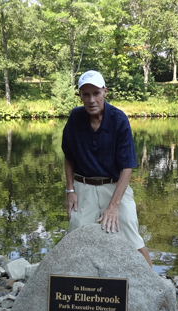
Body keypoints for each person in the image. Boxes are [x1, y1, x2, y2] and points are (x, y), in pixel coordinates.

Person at [62, 70, 152, 267]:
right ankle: (79, 289)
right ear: (80, 96)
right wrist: (70, 191)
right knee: (76, 240)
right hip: (83, 187)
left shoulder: (118, 119)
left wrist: (113, 206)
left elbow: (127, 166)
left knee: (131, 238)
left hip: (114, 186)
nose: (91, 99)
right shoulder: (75, 118)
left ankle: (155, 287)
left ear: (105, 92)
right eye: (86, 94)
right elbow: (68, 156)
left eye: (96, 93)